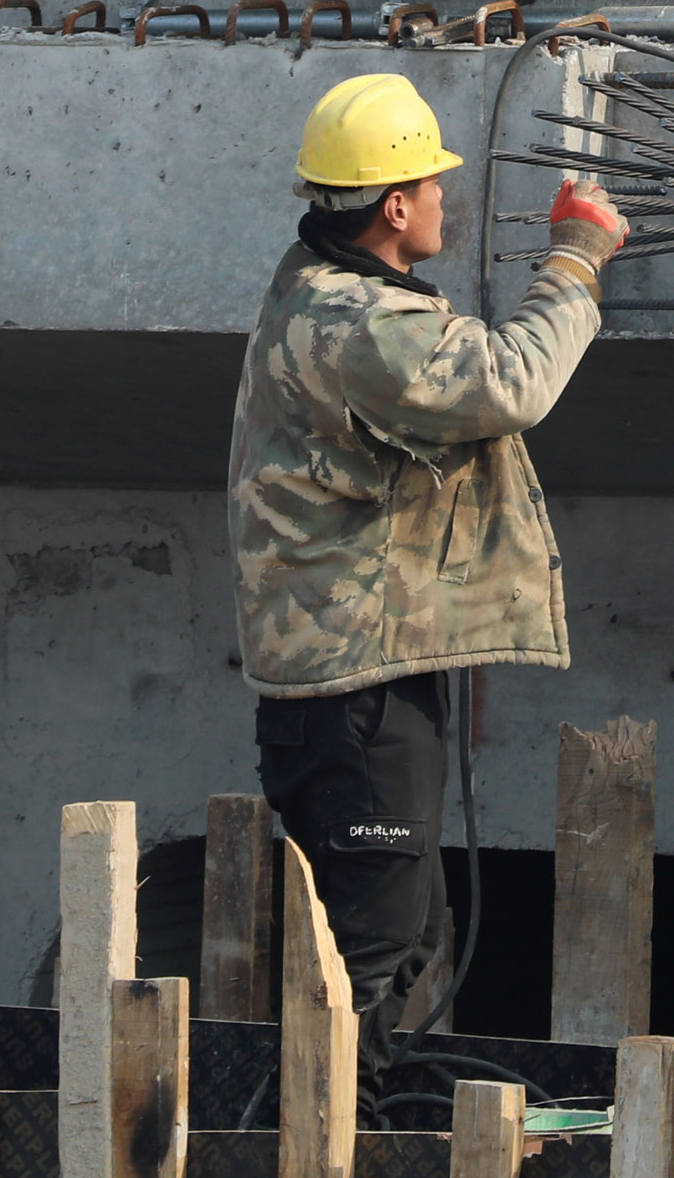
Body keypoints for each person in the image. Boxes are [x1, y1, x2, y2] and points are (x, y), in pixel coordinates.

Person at [226, 70, 627, 1103]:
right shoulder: (359, 324)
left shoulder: (318, 287)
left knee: (403, 924)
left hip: (349, 683)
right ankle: (319, 1156)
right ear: (393, 205)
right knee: (376, 940)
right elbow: (507, 385)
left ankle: (366, 1125)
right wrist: (574, 261)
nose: (446, 198)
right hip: (351, 695)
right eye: (432, 183)